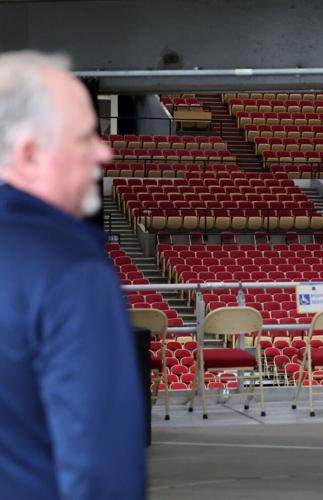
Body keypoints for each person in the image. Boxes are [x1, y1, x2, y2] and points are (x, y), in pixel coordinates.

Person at [0, 51, 145, 499]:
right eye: (84, 138)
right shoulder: (70, 271)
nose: (104, 151)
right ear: (30, 154)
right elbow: (102, 471)